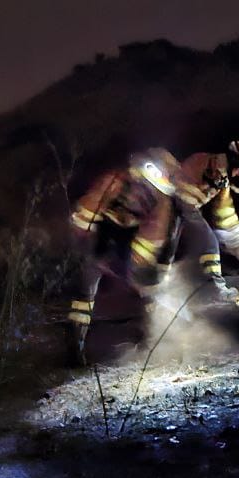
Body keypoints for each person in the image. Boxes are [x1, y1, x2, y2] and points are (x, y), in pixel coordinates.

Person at [65, 148, 182, 366]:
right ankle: (75, 346)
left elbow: (154, 232)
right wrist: (86, 247)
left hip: (129, 235)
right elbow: (87, 212)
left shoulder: (162, 202)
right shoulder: (114, 181)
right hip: (102, 228)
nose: (141, 194)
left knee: (146, 288)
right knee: (85, 288)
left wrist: (139, 265)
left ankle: (151, 338)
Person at [178, 140, 239, 284]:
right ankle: (215, 288)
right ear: (233, 161)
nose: (238, 174)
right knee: (208, 244)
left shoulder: (223, 180)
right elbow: (182, 190)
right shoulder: (206, 165)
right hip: (180, 206)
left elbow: (224, 212)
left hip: (188, 210)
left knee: (198, 247)